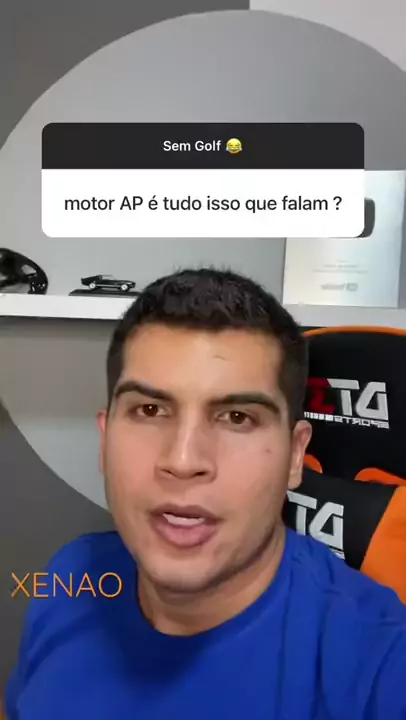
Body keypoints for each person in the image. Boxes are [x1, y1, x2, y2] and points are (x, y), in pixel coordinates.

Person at [5, 267, 406, 719]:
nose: (182, 460)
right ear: (105, 438)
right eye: (150, 410)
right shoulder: (71, 576)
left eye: (237, 418)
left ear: (296, 456)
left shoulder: (382, 665)